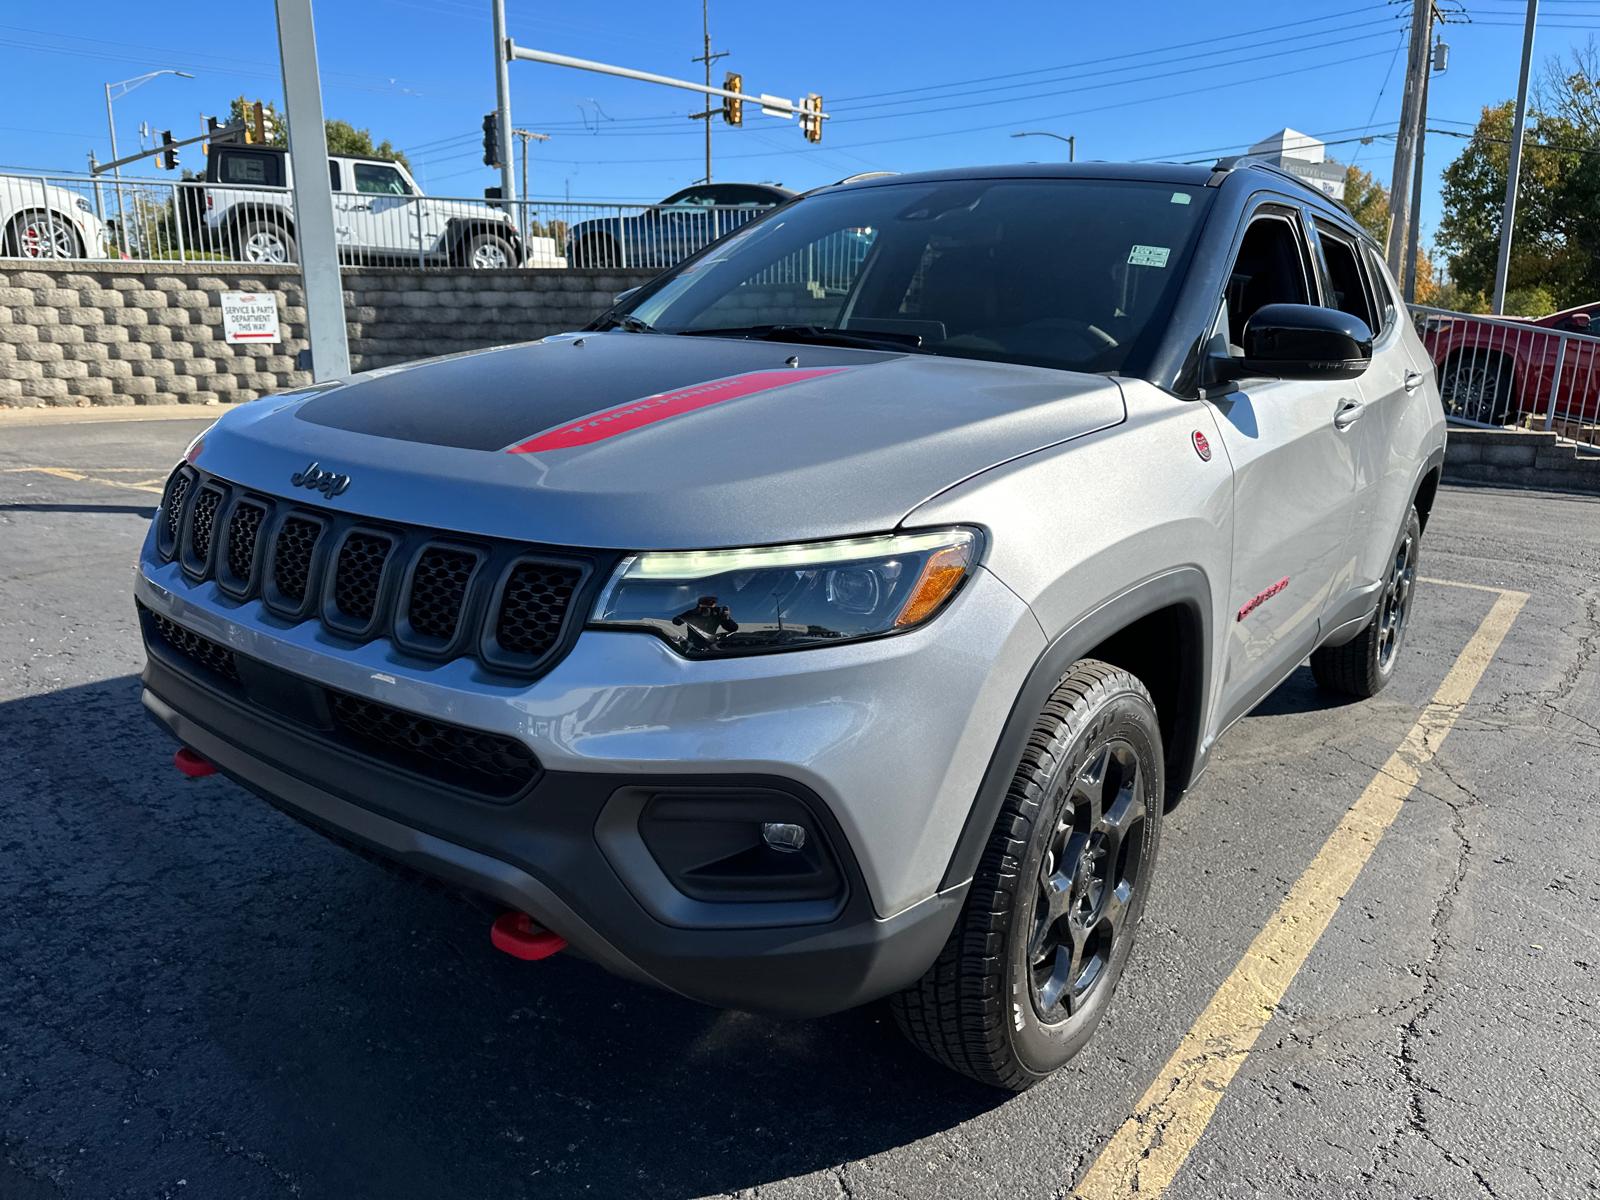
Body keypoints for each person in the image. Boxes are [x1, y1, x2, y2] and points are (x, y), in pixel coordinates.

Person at [672, 595, 739, 649]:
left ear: (715, 606)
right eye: (704, 608)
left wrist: (726, 618)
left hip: (709, 644)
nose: (707, 611)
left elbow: (733, 628)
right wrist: (691, 614)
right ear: (698, 606)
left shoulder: (717, 614)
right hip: (692, 644)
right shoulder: (692, 613)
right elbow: (676, 621)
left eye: (710, 608)